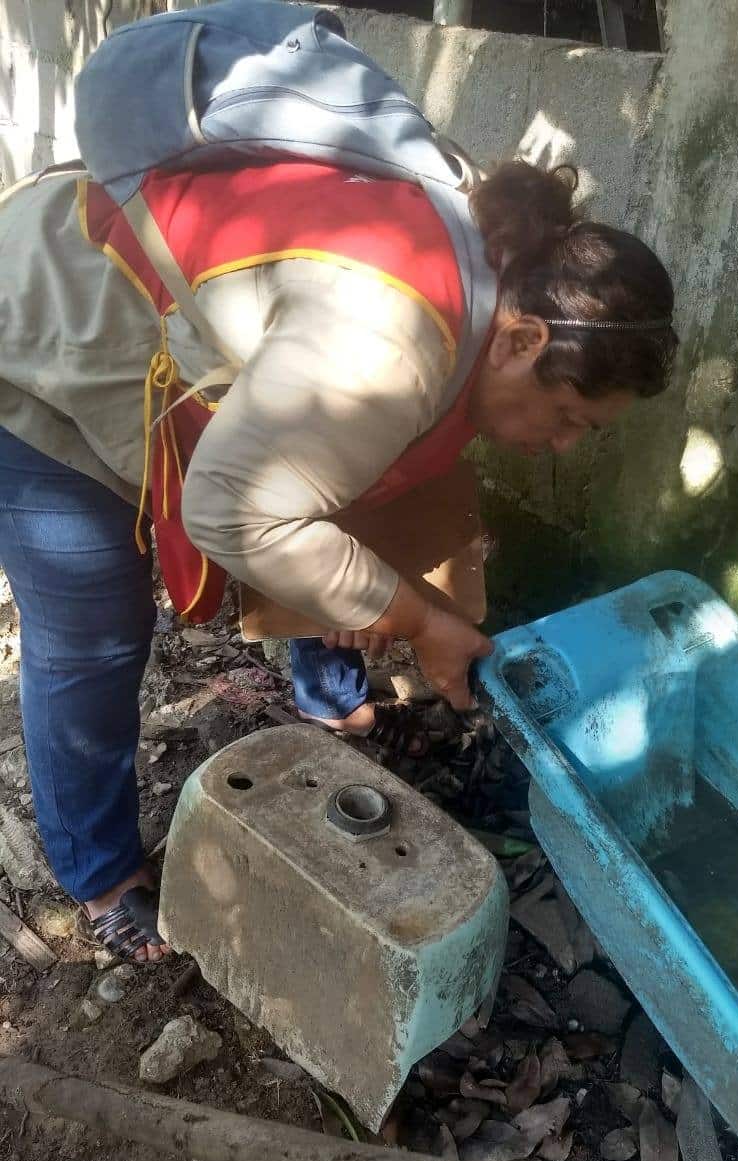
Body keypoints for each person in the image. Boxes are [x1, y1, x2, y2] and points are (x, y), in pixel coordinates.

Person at [0, 147, 678, 964]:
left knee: (332, 510)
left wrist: (369, 602)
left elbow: (333, 472)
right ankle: (101, 874)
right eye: (568, 417)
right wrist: (419, 621)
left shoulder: (503, 262)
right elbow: (235, 513)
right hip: (47, 325)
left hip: (150, 309)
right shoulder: (388, 347)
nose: (565, 445)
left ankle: (330, 705)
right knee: (94, 628)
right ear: (523, 340)